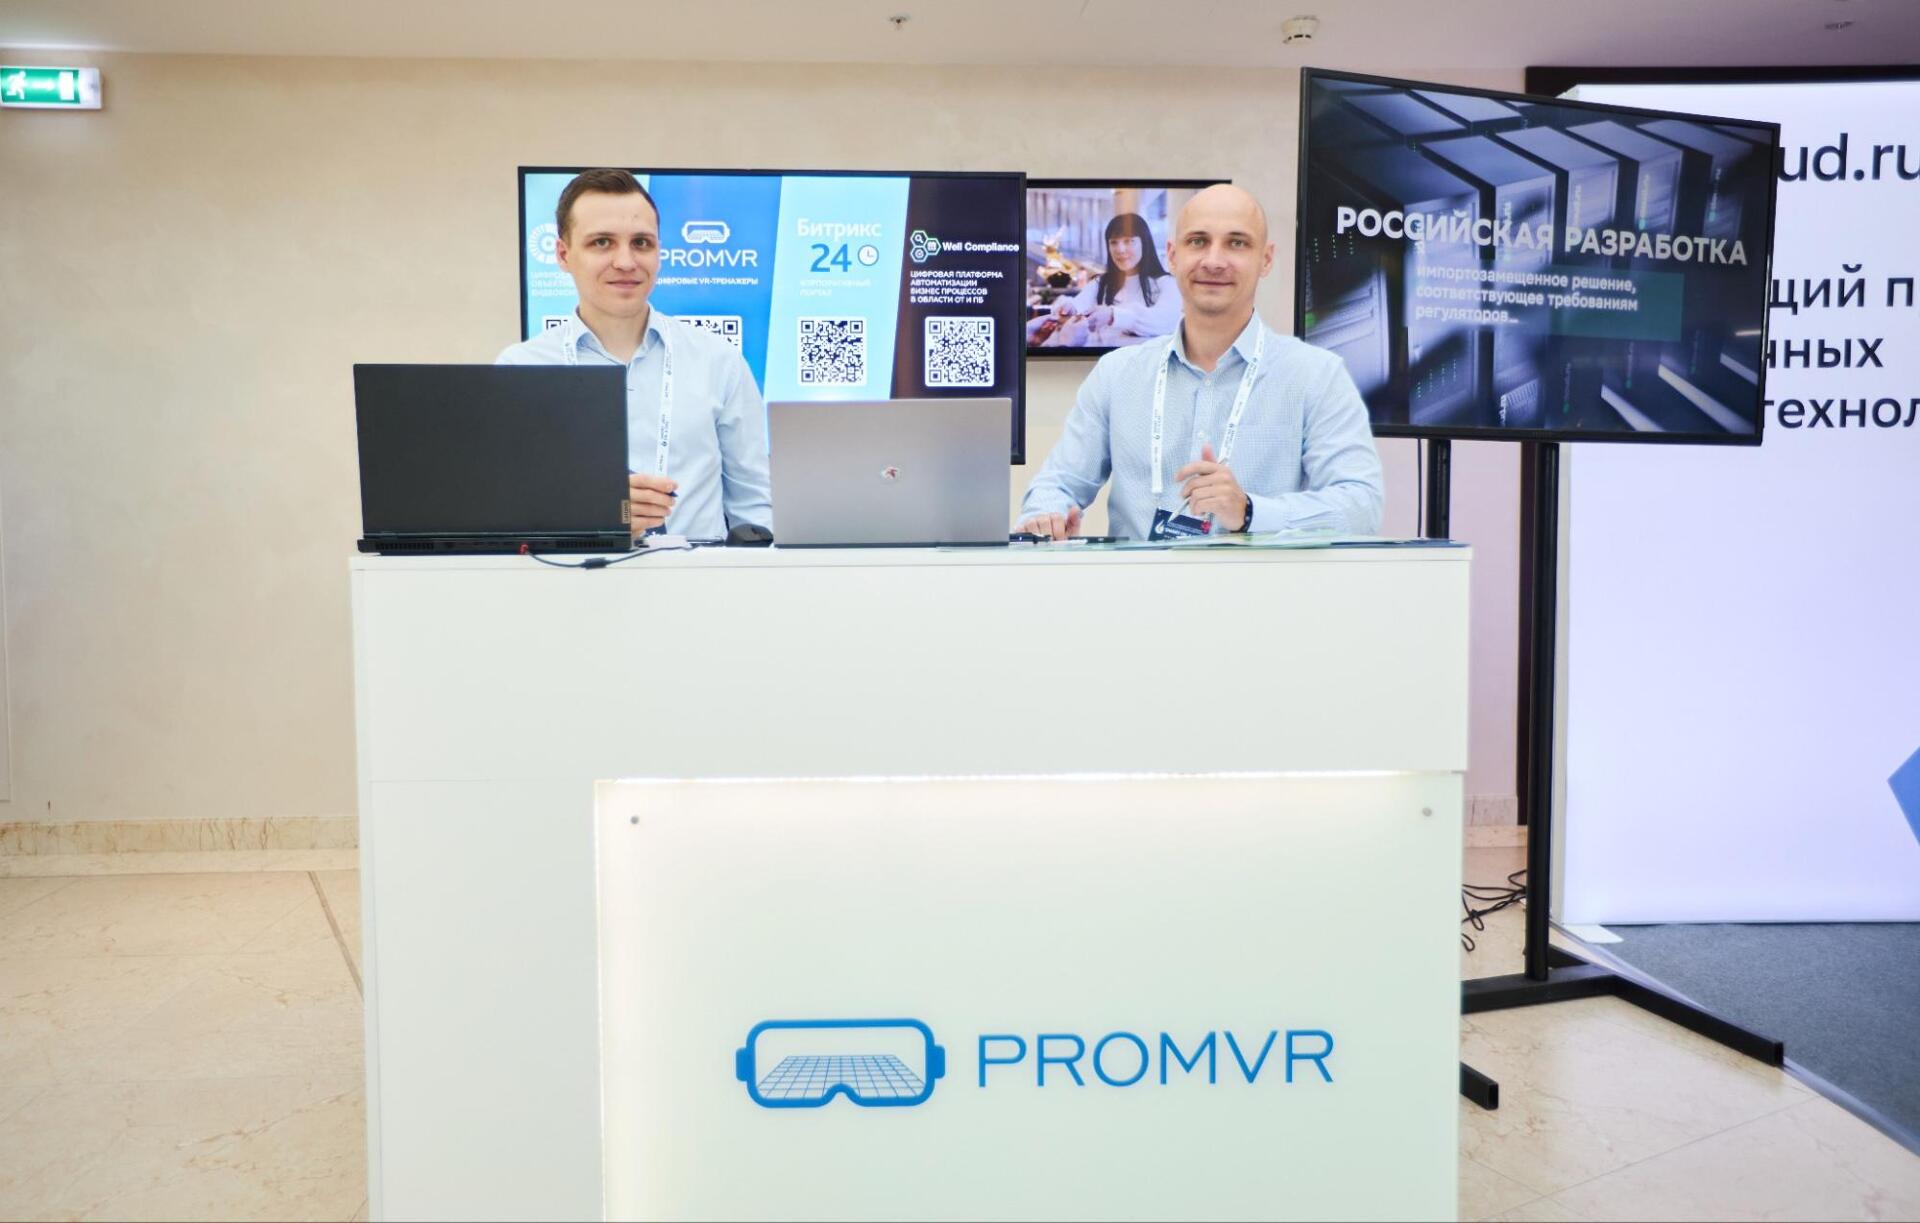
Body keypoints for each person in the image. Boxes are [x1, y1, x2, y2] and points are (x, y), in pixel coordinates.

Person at [1017, 184, 1383, 540]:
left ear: (1266, 259)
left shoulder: (1316, 375)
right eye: (1198, 241)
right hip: (1139, 582)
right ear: (1173, 256)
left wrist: (1250, 512)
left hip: (1258, 583)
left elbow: (1362, 507)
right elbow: (1057, 485)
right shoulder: (1117, 374)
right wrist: (1047, 518)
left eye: (1237, 243)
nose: (1214, 261)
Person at [498, 168, 771, 540]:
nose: (626, 262)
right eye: (602, 242)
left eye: (641, 243)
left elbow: (756, 506)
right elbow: (507, 509)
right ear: (563, 254)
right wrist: (592, 511)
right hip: (572, 572)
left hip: (698, 573)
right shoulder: (520, 368)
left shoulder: (718, 361)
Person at [1033, 212, 1181, 348]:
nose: (1120, 249)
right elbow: (1078, 304)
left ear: (1145, 243)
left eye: (1128, 241)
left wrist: (1112, 315)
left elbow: (1165, 321)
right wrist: (1068, 310)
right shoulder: (1100, 283)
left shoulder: (1167, 283)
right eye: (1114, 242)